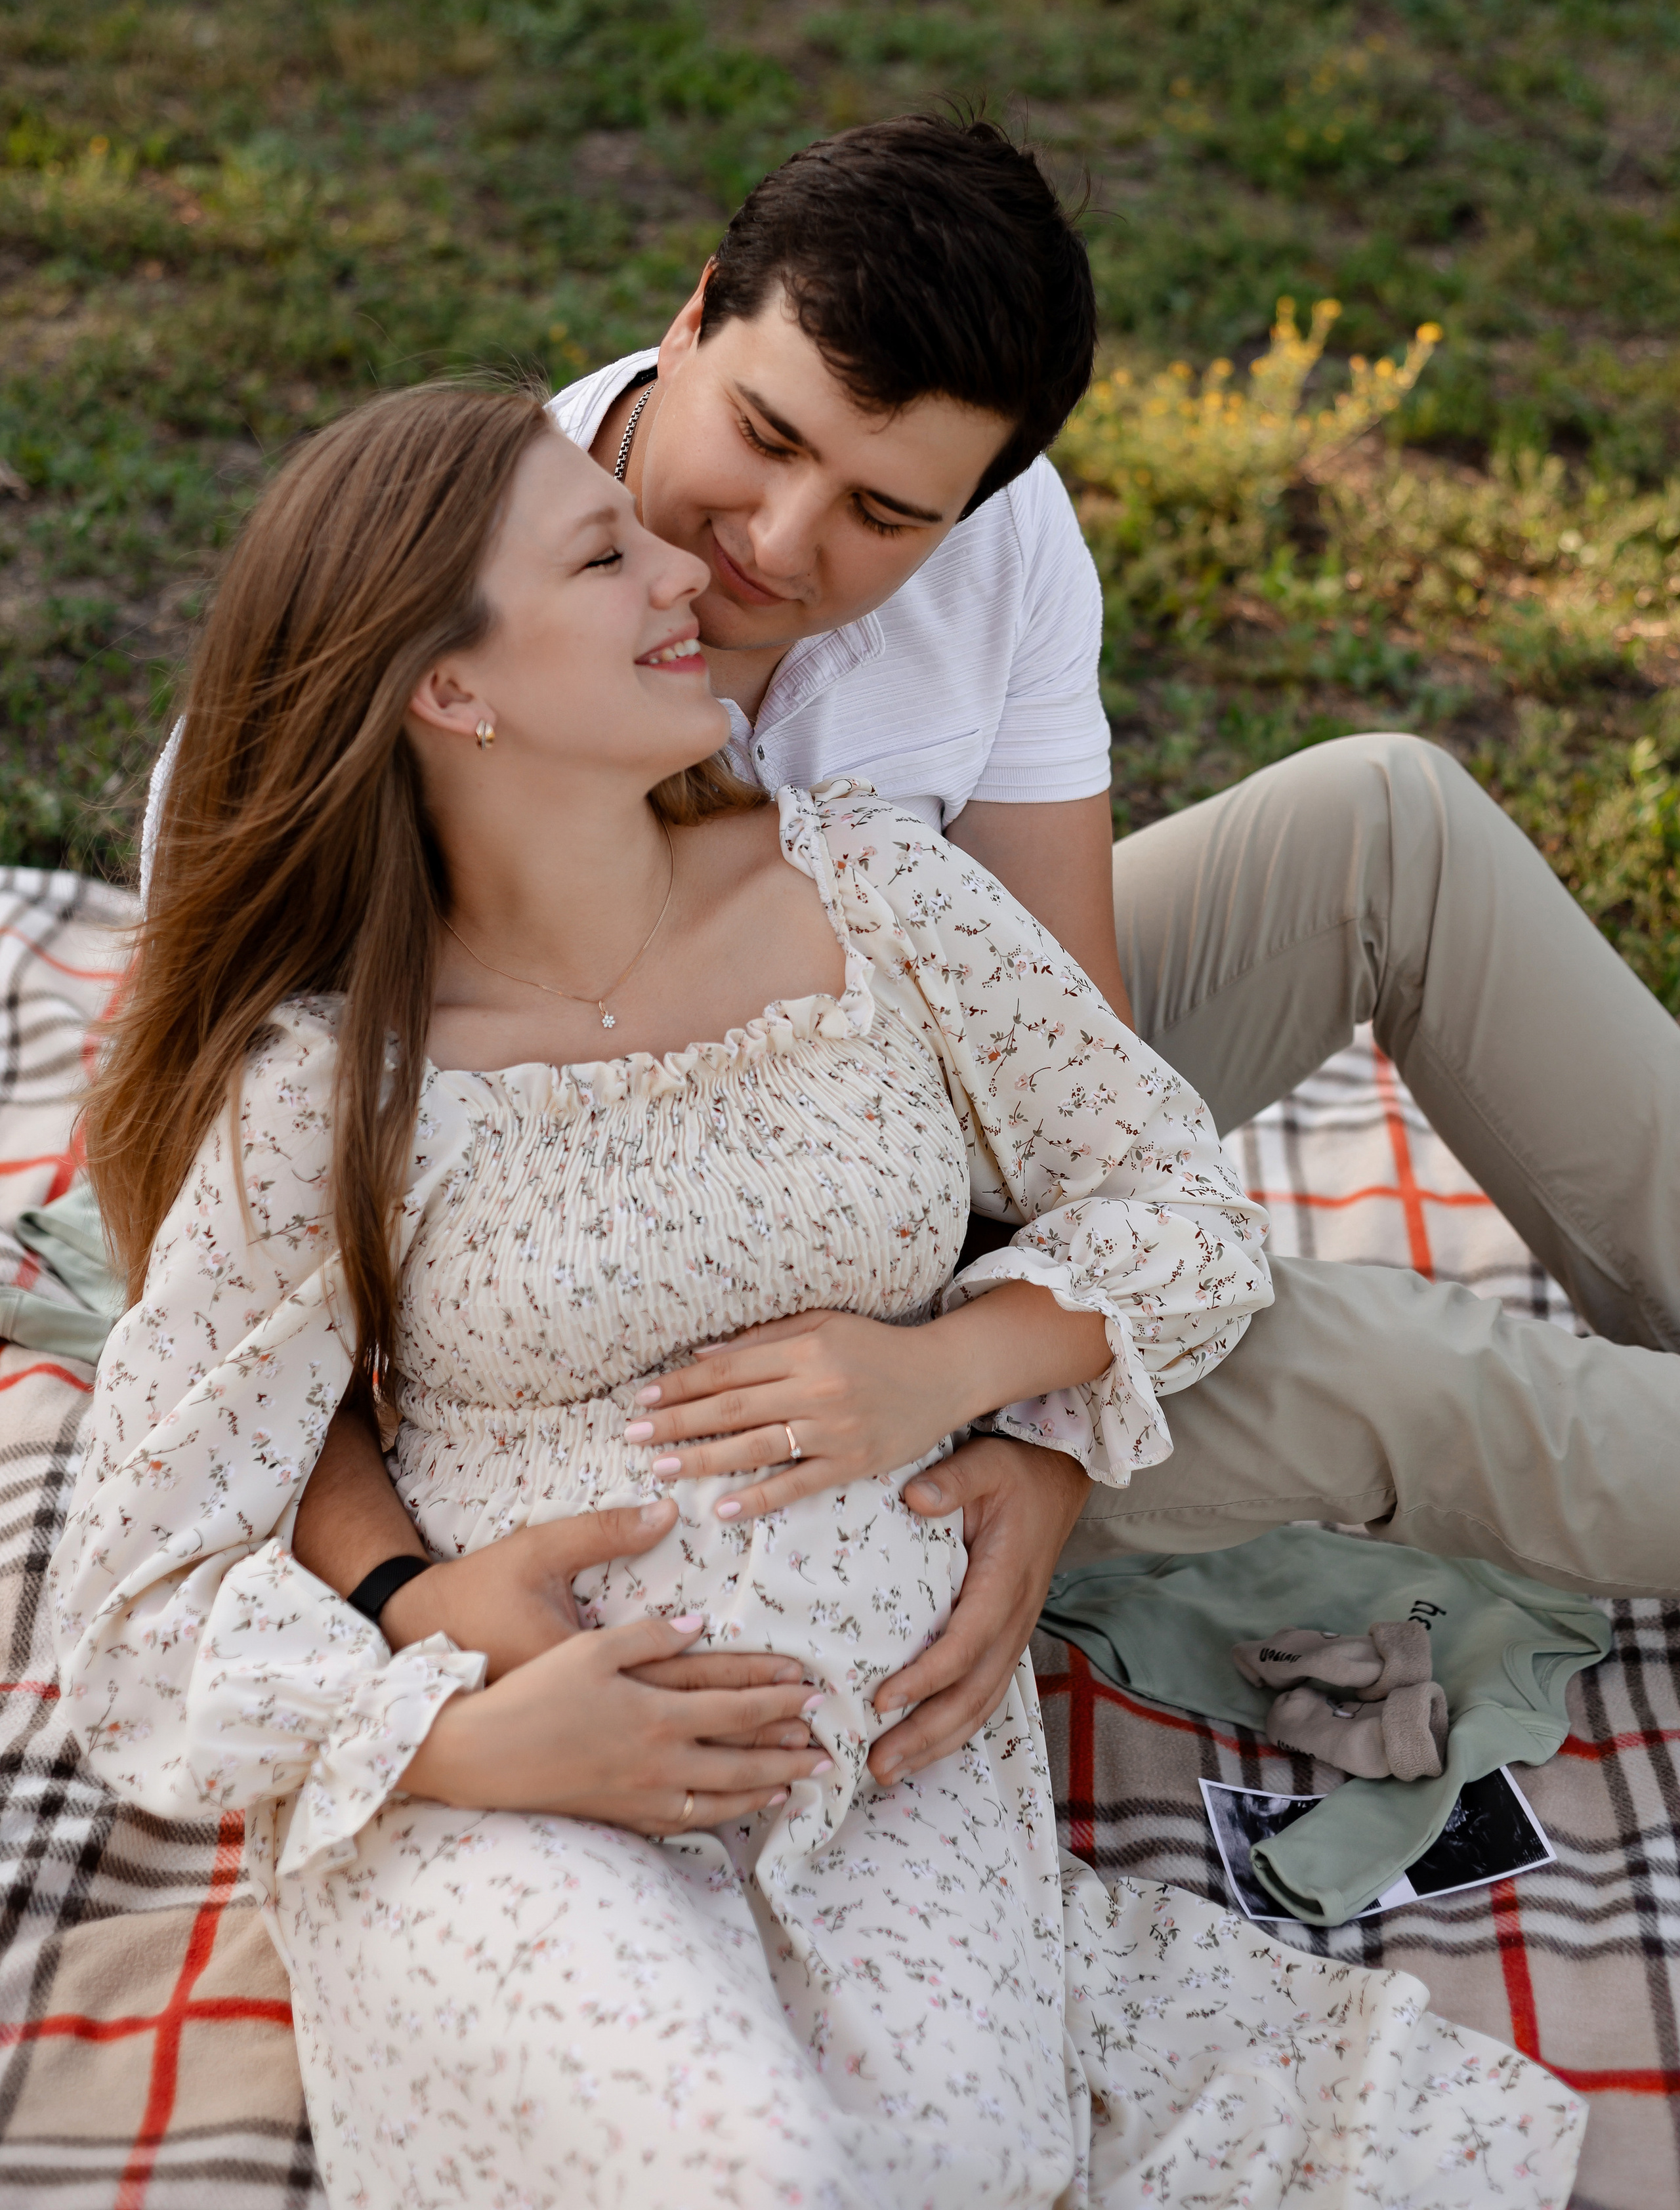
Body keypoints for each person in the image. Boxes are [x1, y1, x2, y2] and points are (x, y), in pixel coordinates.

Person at [54, 385, 1583, 2207]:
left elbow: (1173, 1197)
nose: (681, 575)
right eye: (602, 556)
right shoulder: (335, 1080)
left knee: (954, 2168)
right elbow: (138, 1587)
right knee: (743, 2168)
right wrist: (456, 1731)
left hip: (888, 1777)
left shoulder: (868, 886)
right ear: (451, 690)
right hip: (515, 1776)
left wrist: (958, 1373)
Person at [288, 113, 1680, 1798]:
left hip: (927, 1208)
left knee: (1386, 818)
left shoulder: (996, 552)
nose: (777, 546)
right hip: (677, 1361)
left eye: (884, 513)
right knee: (1396, 1371)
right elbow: (219, 1289)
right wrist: (399, 1592)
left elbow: (1072, 1060)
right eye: (763, 436)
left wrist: (1045, 1430)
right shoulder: (422, 608)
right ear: (696, 313)